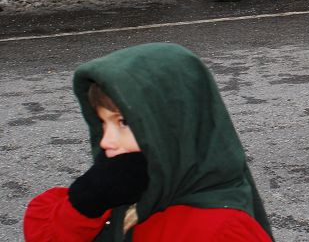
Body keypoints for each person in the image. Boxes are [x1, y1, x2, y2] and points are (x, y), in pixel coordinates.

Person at [23, 42, 273, 241]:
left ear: (172, 126)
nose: (106, 142)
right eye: (103, 123)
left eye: (123, 122)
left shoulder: (220, 231)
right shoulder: (127, 190)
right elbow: (42, 225)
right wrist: (87, 200)